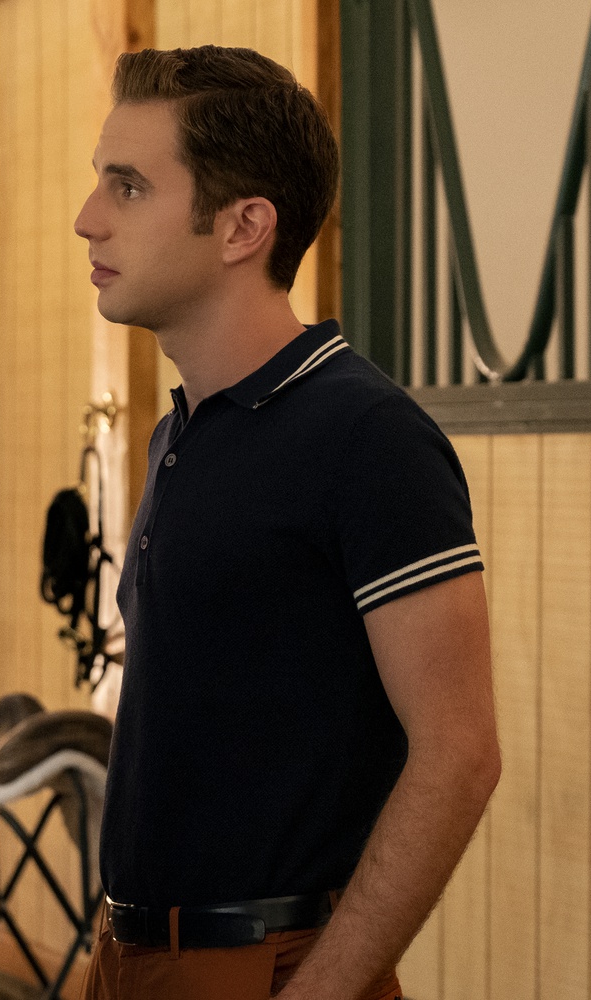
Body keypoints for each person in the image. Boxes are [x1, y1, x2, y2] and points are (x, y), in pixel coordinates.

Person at [73, 46, 501, 1000]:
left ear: (244, 227)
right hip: (130, 958)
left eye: (128, 187)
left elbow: (460, 754)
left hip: (268, 965)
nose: (88, 217)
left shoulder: (366, 436)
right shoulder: (181, 431)